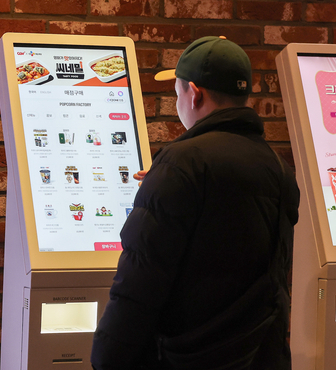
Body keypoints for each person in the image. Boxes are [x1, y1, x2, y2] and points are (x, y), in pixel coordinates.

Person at [91, 36, 300, 370]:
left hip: (185, 358)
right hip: (259, 357)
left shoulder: (182, 162)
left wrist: (107, 356)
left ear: (194, 92)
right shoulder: (276, 166)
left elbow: (141, 278)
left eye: (177, 94)